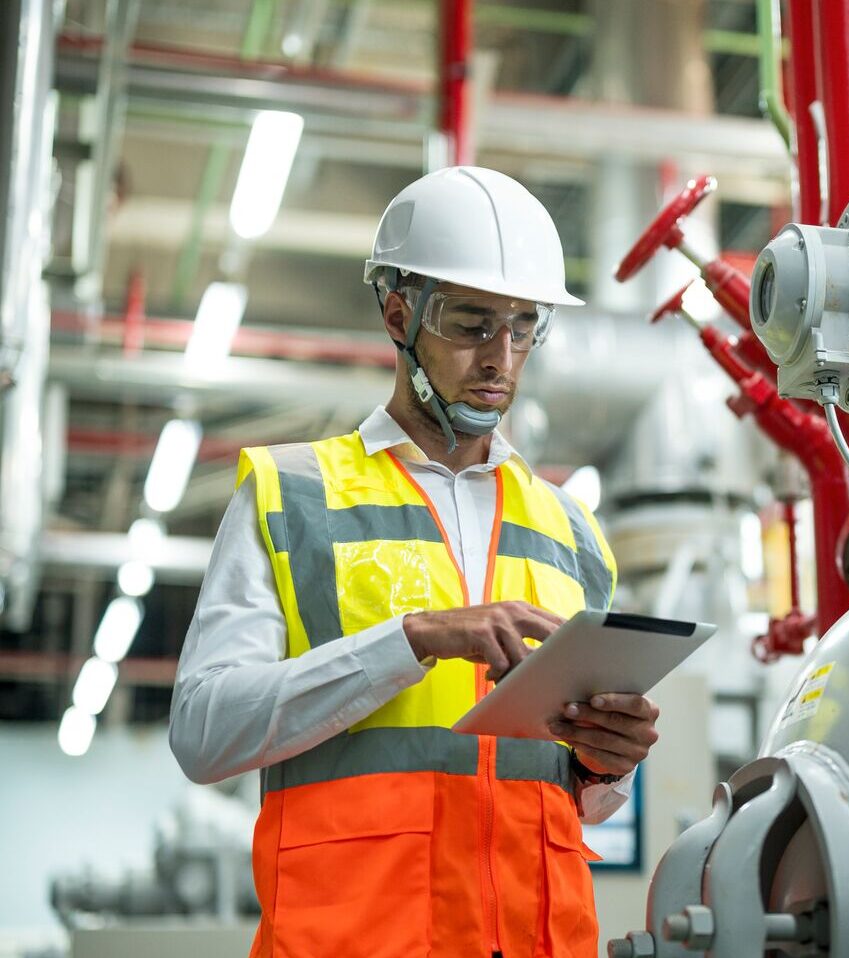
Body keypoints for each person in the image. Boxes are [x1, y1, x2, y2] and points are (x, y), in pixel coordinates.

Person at [170, 166, 659, 958]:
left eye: (524, 327)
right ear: (400, 315)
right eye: (472, 324)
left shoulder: (572, 530)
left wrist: (610, 765)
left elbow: (577, 804)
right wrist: (414, 639)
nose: (501, 358)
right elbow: (204, 734)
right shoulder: (293, 497)